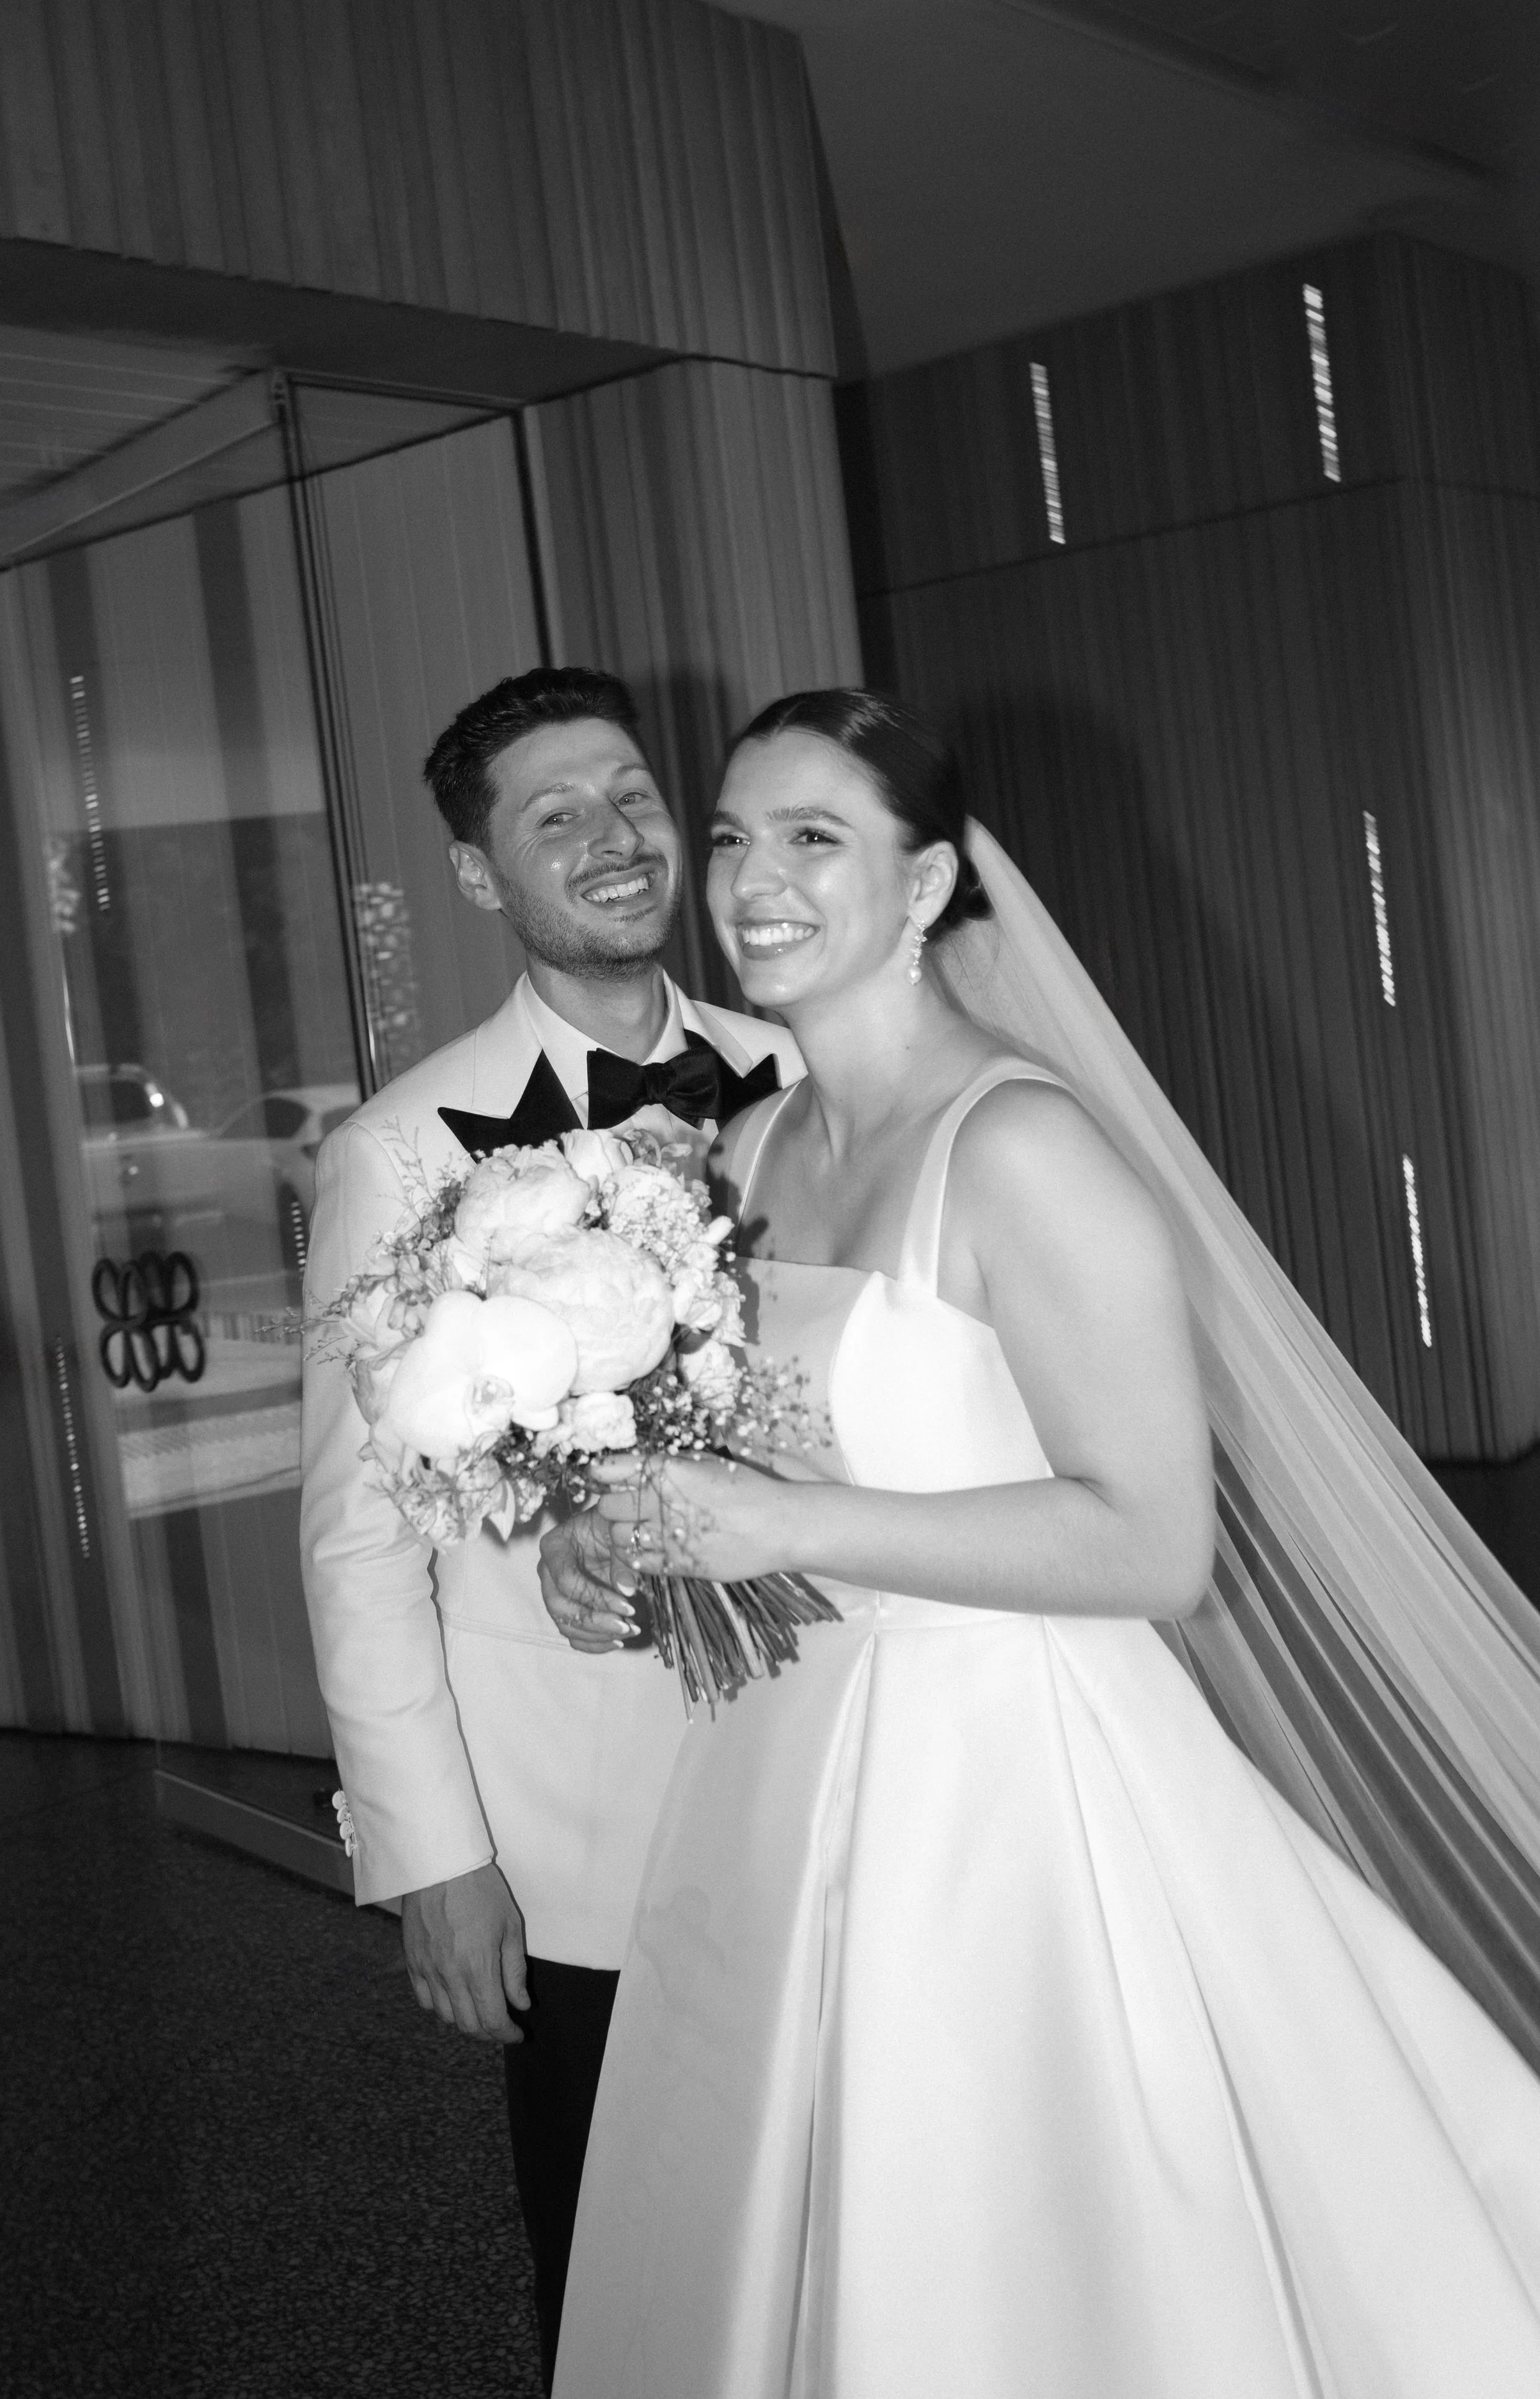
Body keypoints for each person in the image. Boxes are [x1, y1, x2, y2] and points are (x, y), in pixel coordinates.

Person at [540, 688, 1540, 2397]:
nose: (750, 880)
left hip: (1008, 1789)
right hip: (772, 1776)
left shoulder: (1020, 1145)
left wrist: (791, 1519)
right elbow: (728, 1474)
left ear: (924, 884)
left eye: (811, 839)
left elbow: (1154, 1543)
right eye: (729, 837)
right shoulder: (742, 1149)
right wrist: (607, 1552)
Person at [299, 665, 801, 2389]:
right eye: (552, 814)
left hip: (830, 1765)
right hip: (588, 1830)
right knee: (630, 2264)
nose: (612, 838)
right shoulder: (400, 1147)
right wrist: (431, 1849)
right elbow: (361, 1538)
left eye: (630, 793)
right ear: (476, 874)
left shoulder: (798, 1070)